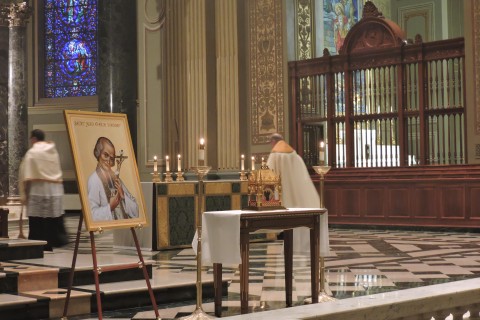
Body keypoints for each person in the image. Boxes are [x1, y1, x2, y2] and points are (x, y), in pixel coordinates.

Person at [266, 133, 321, 253]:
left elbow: (268, 174)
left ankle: (283, 234)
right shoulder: (293, 154)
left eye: (270, 142)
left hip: (281, 191)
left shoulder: (275, 154)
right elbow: (303, 176)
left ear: (273, 142)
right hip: (295, 190)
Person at [19, 129, 68, 251]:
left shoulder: (33, 152)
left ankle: (36, 245)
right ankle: (49, 243)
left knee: (37, 221)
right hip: (54, 191)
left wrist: (23, 192)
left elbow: (24, 172)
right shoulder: (53, 151)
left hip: (38, 190)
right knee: (51, 220)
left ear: (34, 139)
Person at [87, 137, 138, 221]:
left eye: (112, 158)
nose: (109, 161)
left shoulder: (116, 179)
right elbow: (91, 215)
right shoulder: (94, 180)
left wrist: (123, 196)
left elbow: (135, 210)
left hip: (123, 230)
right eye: (106, 155)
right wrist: (110, 207)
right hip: (106, 233)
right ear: (98, 154)